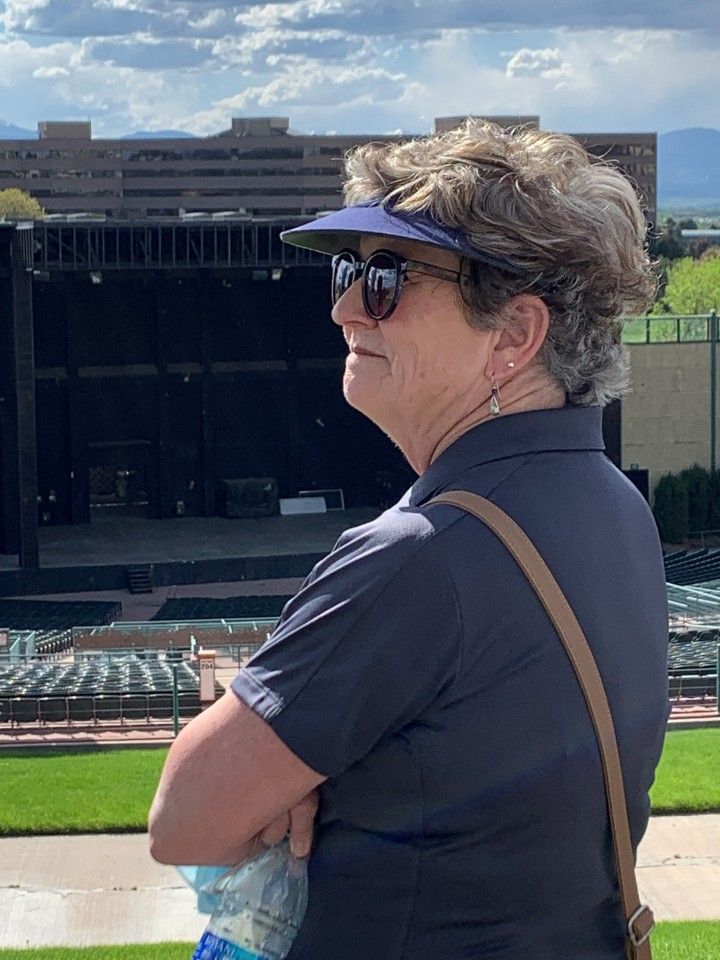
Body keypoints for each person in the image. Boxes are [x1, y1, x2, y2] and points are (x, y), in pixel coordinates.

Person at [149, 120, 669, 959]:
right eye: (350, 270)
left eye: (388, 277)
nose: (346, 306)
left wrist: (287, 762)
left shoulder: (424, 553)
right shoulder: (614, 505)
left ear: (514, 335)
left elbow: (183, 819)